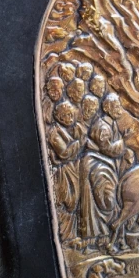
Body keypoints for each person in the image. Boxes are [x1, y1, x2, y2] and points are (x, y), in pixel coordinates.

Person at [79, 93, 134, 239]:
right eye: (116, 107)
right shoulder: (103, 126)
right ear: (107, 108)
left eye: (119, 106)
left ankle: (109, 233)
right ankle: (102, 233)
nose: (119, 110)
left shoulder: (112, 124)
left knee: (113, 197)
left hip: (106, 164)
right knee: (108, 200)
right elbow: (107, 149)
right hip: (97, 165)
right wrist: (123, 141)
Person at [48, 101, 85, 241]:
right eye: (66, 115)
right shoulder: (54, 133)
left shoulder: (73, 128)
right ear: (59, 117)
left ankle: (73, 235)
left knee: (76, 201)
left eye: (71, 115)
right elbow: (64, 153)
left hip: (74, 168)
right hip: (65, 172)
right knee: (68, 202)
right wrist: (78, 143)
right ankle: (66, 235)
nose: (70, 118)